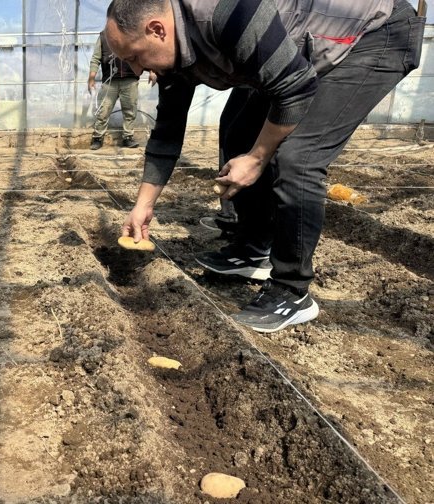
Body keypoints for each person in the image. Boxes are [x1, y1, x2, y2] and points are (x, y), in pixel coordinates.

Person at [106, 0, 423, 332]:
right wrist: (144, 205)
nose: (138, 70)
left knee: (298, 158)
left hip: (373, 33)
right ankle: (256, 246)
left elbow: (296, 88)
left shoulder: (226, 12)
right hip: (301, 53)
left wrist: (258, 159)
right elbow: (167, 133)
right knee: (239, 132)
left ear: (157, 30)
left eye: (134, 57)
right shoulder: (172, 57)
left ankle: (292, 290)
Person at [88, 32, 142, 150]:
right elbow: (96, 58)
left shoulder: (134, 32)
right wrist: (91, 77)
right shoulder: (104, 36)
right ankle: (98, 137)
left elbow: (143, 53)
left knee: (130, 110)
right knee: (103, 110)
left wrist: (152, 71)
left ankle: (128, 137)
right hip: (110, 80)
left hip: (130, 79)